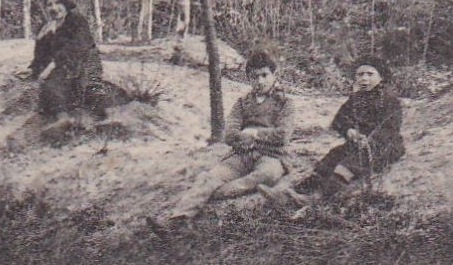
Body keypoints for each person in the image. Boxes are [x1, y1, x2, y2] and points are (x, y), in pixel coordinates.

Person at [262, 56, 405, 208]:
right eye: (360, 74)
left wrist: (369, 139)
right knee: (331, 157)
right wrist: (349, 130)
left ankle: (318, 199)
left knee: (347, 165)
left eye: (370, 74)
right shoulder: (356, 98)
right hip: (357, 144)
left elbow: (390, 127)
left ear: (381, 77)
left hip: (382, 146)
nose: (364, 79)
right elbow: (340, 118)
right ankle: (292, 194)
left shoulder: (389, 100)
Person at [171, 50, 295, 215]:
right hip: (241, 155)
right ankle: (178, 219)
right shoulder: (243, 103)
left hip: (271, 156)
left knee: (268, 174)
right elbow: (229, 134)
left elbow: (283, 135)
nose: (260, 81)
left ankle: (217, 193)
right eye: (254, 76)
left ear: (274, 75)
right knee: (210, 177)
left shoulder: (285, 103)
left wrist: (254, 134)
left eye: (265, 75)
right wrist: (244, 138)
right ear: (249, 78)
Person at [18, 0, 109, 118]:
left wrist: (54, 64)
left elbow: (78, 46)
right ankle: (60, 120)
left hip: (86, 64)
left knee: (92, 95)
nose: (54, 8)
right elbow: (41, 57)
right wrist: (33, 70)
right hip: (62, 68)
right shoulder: (46, 28)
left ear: (66, 3)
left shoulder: (77, 21)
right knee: (47, 90)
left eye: (58, 3)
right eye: (49, 5)